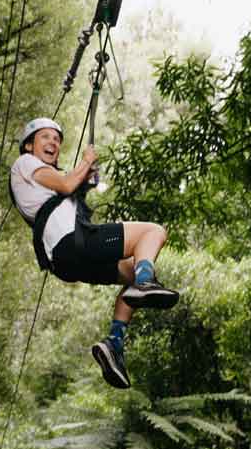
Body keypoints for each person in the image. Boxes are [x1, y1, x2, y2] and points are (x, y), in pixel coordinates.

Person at [9, 116, 179, 389]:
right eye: (45, 137)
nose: (53, 142)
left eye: (56, 139)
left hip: (67, 262)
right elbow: (65, 184)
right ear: (29, 146)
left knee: (134, 273)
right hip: (72, 244)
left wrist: (85, 180)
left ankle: (114, 342)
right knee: (153, 232)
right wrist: (86, 161)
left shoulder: (42, 184)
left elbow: (67, 188)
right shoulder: (25, 164)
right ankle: (146, 282)